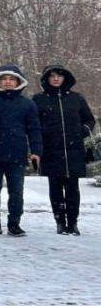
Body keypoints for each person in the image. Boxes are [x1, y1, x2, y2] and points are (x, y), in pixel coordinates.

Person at [33, 64, 96, 235]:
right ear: (46, 78)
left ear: (65, 78)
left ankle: (73, 222)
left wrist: (81, 131)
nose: (56, 79)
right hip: (51, 150)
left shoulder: (76, 98)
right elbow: (33, 124)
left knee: (72, 188)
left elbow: (90, 120)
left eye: (59, 76)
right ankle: (60, 221)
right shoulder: (39, 99)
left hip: (74, 150)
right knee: (55, 188)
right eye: (52, 76)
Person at [0, 65, 42, 236]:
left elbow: (34, 129)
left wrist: (36, 151)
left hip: (17, 153)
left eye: (11, 79)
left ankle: (14, 223)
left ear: (18, 81)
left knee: (16, 192)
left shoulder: (27, 104)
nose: (8, 82)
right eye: (4, 79)